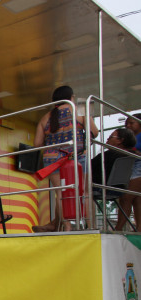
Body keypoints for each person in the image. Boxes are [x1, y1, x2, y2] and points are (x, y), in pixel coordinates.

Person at [32, 86, 98, 232]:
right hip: (77, 155)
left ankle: (67, 226)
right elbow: (94, 132)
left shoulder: (46, 117)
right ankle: (89, 225)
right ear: (72, 97)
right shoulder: (79, 111)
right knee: (85, 192)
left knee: (60, 193)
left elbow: (37, 143)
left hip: (53, 158)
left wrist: (53, 142)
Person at [103, 127, 141, 231]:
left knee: (126, 198)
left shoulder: (125, 152)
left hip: (136, 172)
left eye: (111, 137)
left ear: (121, 140)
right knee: (136, 199)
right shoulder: (130, 152)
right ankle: (138, 228)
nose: (107, 139)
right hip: (134, 171)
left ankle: (119, 228)